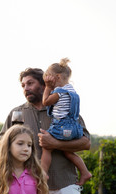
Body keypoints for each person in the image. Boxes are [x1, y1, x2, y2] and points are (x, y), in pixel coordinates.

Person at [0, 68, 91, 194]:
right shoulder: (16, 113)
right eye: (23, 85)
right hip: (30, 187)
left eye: (30, 83)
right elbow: (2, 142)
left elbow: (86, 142)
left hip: (65, 183)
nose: (26, 88)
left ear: (43, 83)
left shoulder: (65, 107)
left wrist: (55, 143)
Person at [41, 58, 92, 186]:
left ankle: (43, 174)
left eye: (49, 78)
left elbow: (46, 102)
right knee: (68, 151)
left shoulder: (59, 92)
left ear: (57, 77)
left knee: (46, 147)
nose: (47, 81)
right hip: (74, 128)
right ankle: (85, 172)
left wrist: (47, 87)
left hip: (62, 127)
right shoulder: (73, 92)